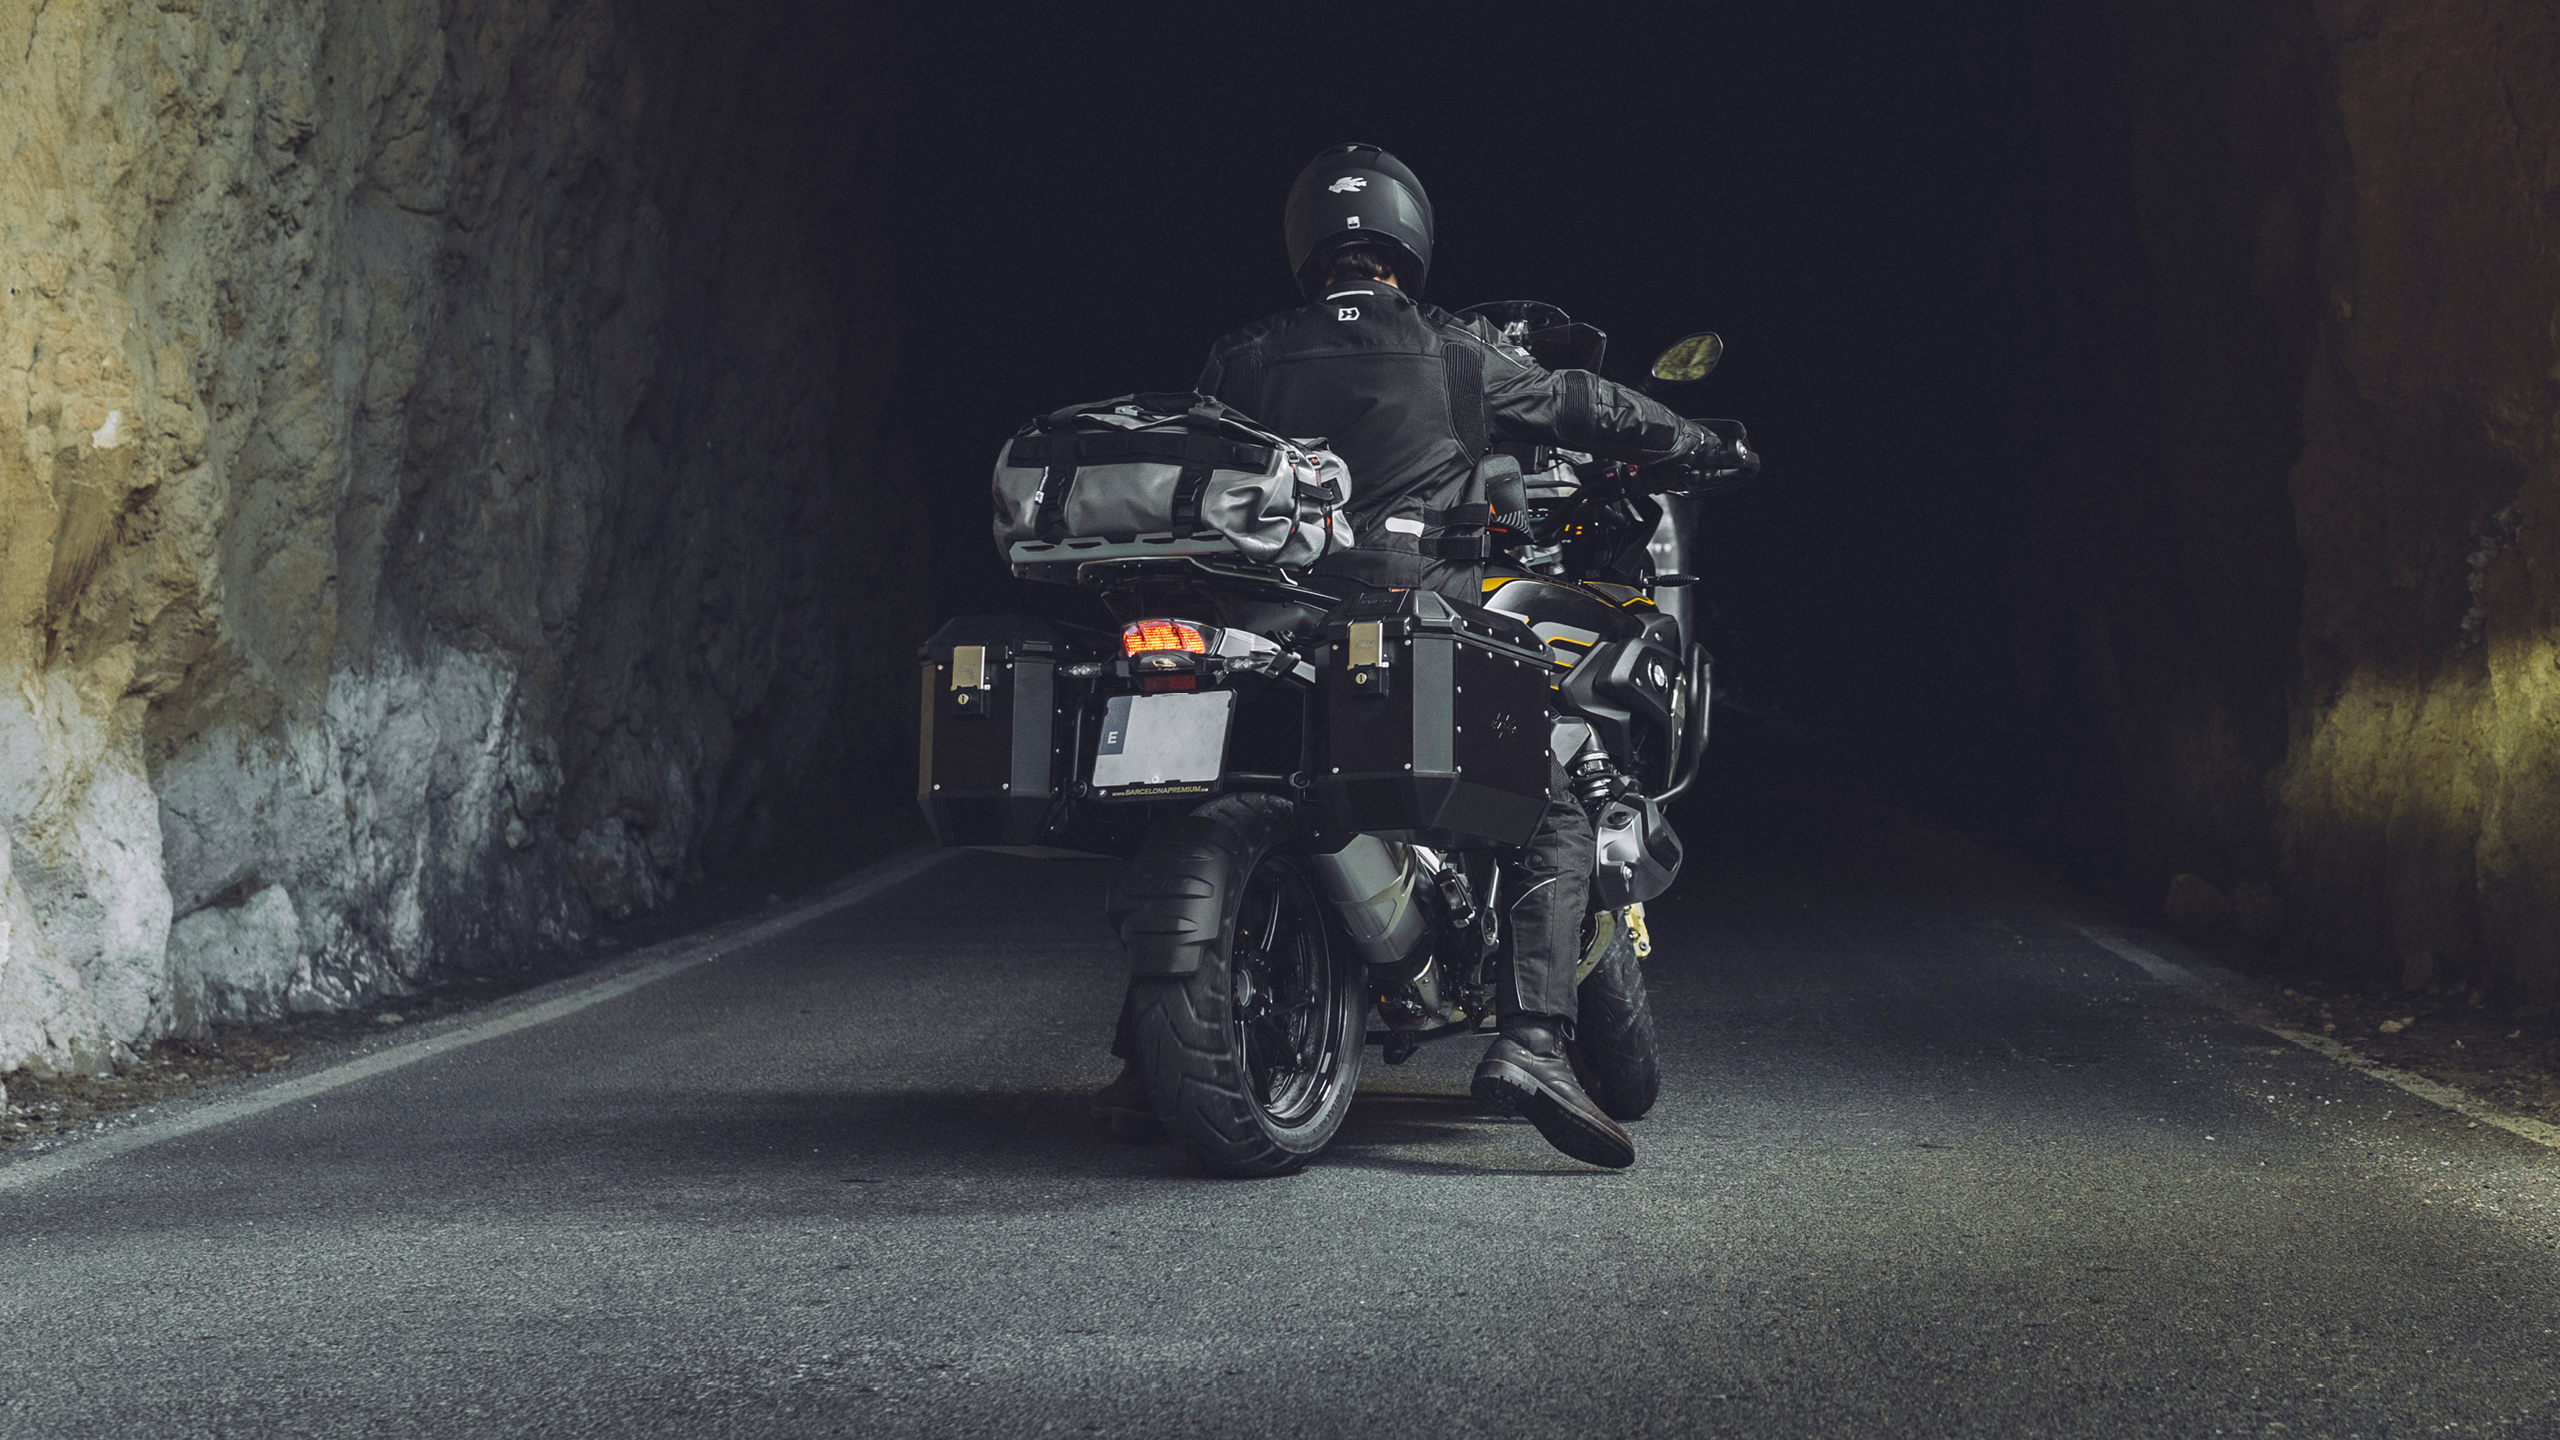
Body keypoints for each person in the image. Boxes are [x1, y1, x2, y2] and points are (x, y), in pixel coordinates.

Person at [1094, 143, 1731, 1169]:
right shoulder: (1453, 350)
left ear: (1307, 245)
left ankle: (1144, 1064)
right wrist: (1697, 442)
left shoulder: (1240, 354)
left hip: (1263, 632)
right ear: (1409, 238)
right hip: (1406, 624)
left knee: (1195, 795)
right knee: (1549, 801)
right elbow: (1585, 405)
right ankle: (1533, 1044)